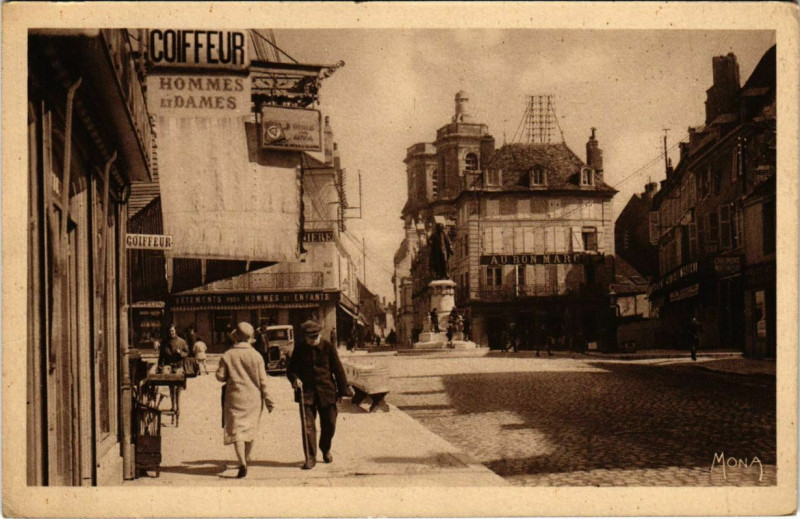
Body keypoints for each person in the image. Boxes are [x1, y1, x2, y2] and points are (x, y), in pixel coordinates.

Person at [287, 319, 353, 470]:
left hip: (327, 391)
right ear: (305, 337)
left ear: (320, 335)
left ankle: (325, 448)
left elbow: (338, 369)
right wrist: (295, 379)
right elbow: (290, 370)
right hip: (307, 393)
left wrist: (343, 390)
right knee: (308, 426)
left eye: (316, 337)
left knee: (329, 424)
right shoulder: (299, 349)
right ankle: (310, 458)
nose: (314, 340)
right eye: (311, 338)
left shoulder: (328, 347)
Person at [216, 322, 275, 478]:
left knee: (236, 430)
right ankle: (247, 458)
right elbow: (263, 381)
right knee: (250, 429)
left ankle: (241, 461)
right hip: (253, 399)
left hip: (235, 397)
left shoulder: (227, 355)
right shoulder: (257, 356)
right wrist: (269, 400)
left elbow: (220, 376)